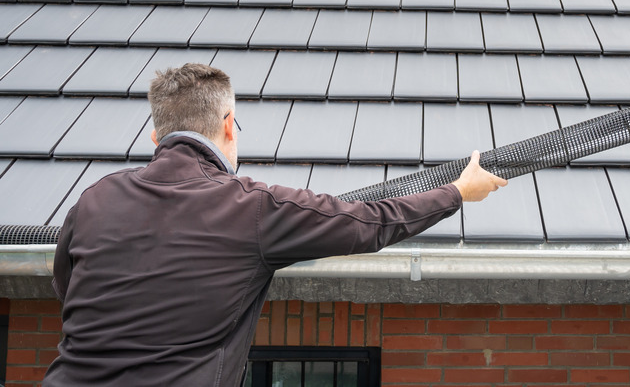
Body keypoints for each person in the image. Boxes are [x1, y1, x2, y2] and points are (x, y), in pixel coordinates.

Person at [43, 63, 507, 386]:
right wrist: (459, 192)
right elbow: (371, 222)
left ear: (154, 135)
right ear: (228, 125)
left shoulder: (93, 199)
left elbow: (68, 289)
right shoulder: (252, 208)